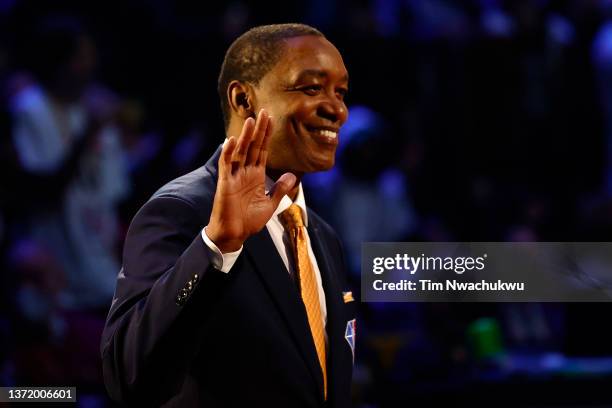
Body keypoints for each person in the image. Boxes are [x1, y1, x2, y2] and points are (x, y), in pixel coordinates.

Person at [101, 24, 355, 407]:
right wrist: (217, 248)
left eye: (340, 92)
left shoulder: (321, 234)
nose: (336, 109)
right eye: (311, 88)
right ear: (243, 100)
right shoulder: (182, 211)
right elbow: (130, 378)